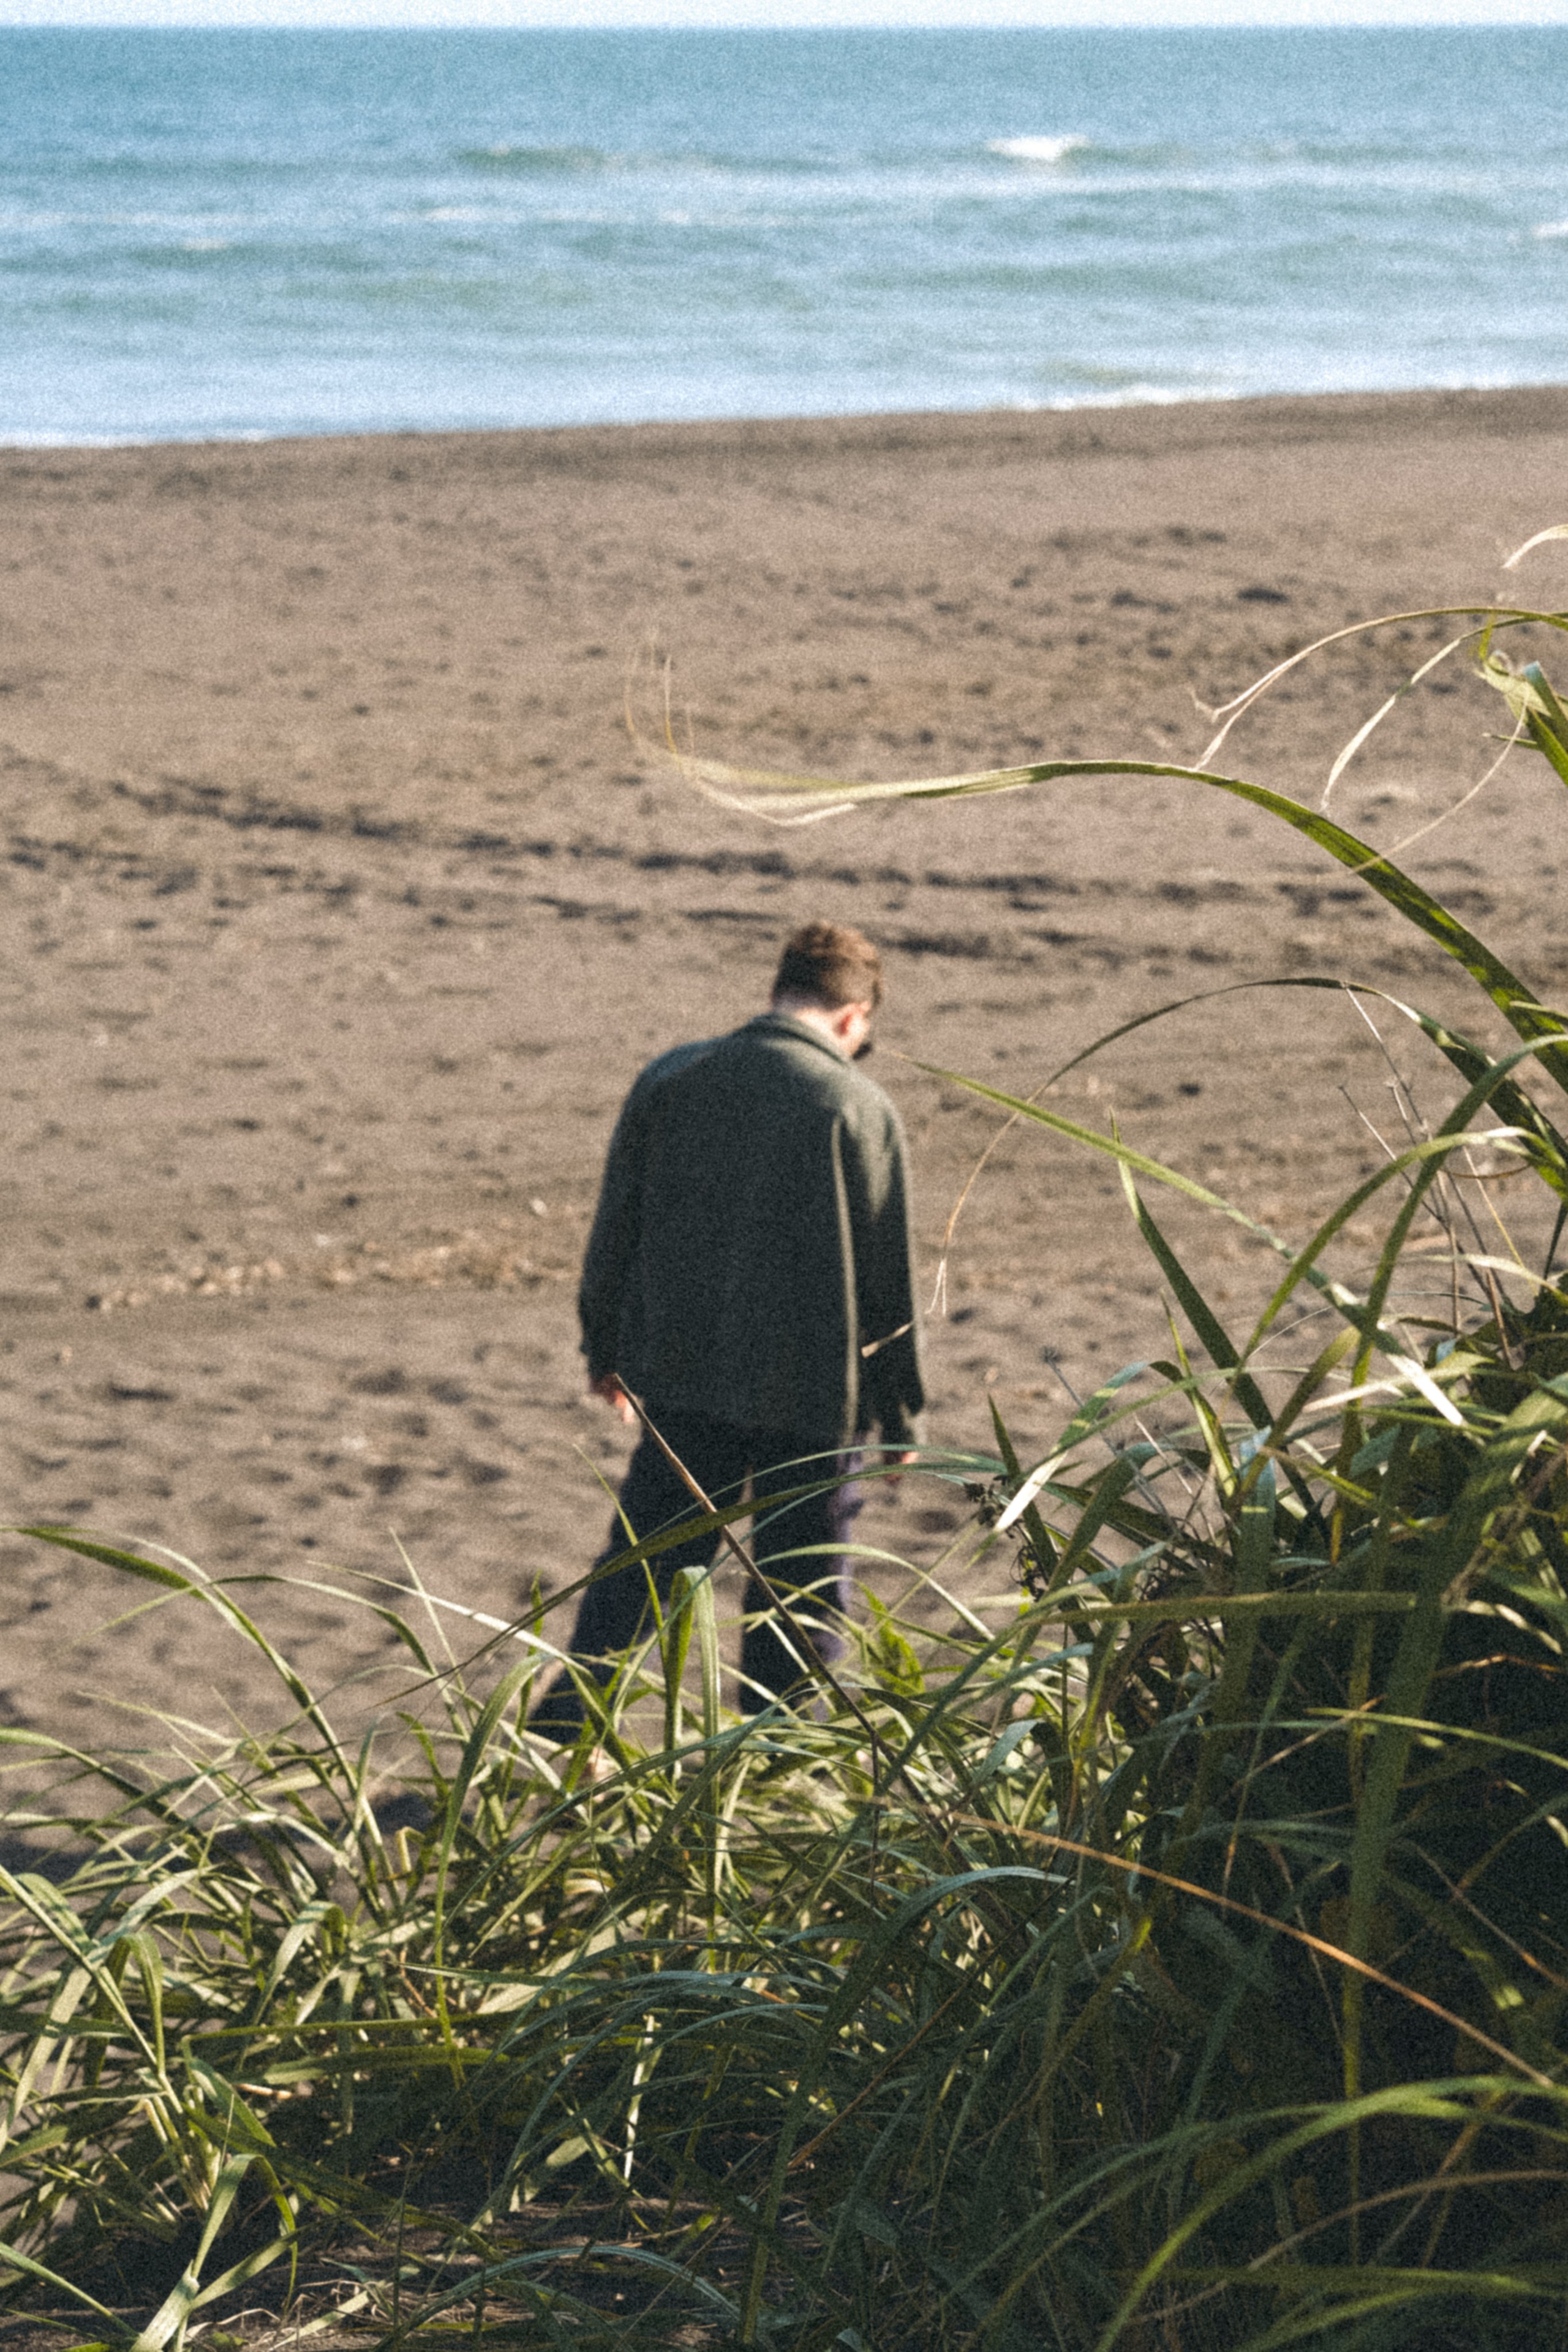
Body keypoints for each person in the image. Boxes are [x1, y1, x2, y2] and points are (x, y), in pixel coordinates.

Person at [530, 919, 924, 1738]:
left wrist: (604, 1350)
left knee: (643, 1568)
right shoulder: (858, 1106)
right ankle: (774, 1758)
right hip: (815, 1393)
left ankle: (565, 1734)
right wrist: (899, 1417)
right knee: (800, 1588)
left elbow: (617, 1230)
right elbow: (887, 1281)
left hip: (682, 1373)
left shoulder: (675, 1076)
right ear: (854, 1019)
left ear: (780, 993)